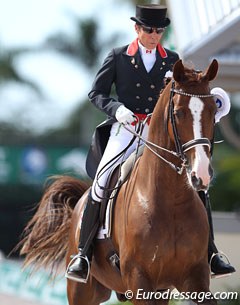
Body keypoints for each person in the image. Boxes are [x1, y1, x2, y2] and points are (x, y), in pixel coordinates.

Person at [65, 4, 235, 283]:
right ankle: (83, 255)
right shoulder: (119, 57)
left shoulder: (174, 60)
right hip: (127, 129)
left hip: (163, 135)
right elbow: (96, 92)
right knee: (102, 180)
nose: (154, 35)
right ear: (137, 29)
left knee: (197, 184)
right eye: (149, 29)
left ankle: (211, 252)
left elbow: (187, 96)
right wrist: (117, 109)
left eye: (159, 30)